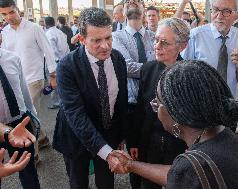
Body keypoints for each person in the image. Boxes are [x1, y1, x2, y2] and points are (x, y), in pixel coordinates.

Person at [111, 61, 238, 189]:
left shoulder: (193, 165)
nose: (154, 107)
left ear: (176, 113)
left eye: (156, 103)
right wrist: (130, 165)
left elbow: (186, 172)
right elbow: (177, 174)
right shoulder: (224, 136)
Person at [52, 7, 128, 189]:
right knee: (78, 183)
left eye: (108, 38)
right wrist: (107, 153)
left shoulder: (118, 59)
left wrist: (122, 136)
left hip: (108, 135)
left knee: (106, 183)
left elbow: (120, 102)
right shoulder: (67, 66)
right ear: (81, 39)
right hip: (75, 137)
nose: (105, 46)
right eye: (97, 40)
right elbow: (75, 115)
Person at [129, 17, 189, 189]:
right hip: (149, 142)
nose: (157, 46)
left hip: (178, 145)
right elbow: (140, 108)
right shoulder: (148, 69)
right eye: (156, 40)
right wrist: (134, 141)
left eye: (164, 43)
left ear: (182, 45)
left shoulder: (189, 74)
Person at [0, 0, 56, 165]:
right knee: (28, 115)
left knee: (27, 116)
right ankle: (43, 138)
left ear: (18, 10)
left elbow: (48, 51)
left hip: (33, 79)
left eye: (11, 12)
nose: (8, 17)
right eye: (4, 14)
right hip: (14, 82)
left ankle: (33, 156)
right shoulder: (5, 32)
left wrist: (53, 76)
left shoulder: (34, 28)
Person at [112, 1, 155, 188]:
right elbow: (127, 67)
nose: (132, 2)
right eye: (128, 0)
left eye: (137, 0)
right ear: (122, 10)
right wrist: (157, 68)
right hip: (132, 106)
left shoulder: (155, 36)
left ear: (143, 8)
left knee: (155, 151)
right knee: (135, 154)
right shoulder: (116, 37)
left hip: (155, 105)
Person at [182, 0, 238, 97]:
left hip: (229, 102)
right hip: (200, 102)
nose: (219, 16)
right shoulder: (195, 36)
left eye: (226, 11)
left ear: (237, 14)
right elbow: (182, 74)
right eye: (215, 10)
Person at [0, 48, 40, 188]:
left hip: (20, 123)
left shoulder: (12, 58)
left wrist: (32, 114)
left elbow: (23, 89)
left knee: (28, 168)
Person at [44, 16, 70, 109]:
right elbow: (66, 47)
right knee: (61, 81)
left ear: (46, 23)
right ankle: (62, 100)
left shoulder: (49, 34)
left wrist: (54, 61)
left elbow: (51, 50)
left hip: (54, 61)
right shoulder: (60, 32)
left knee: (53, 82)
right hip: (63, 59)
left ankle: (56, 102)